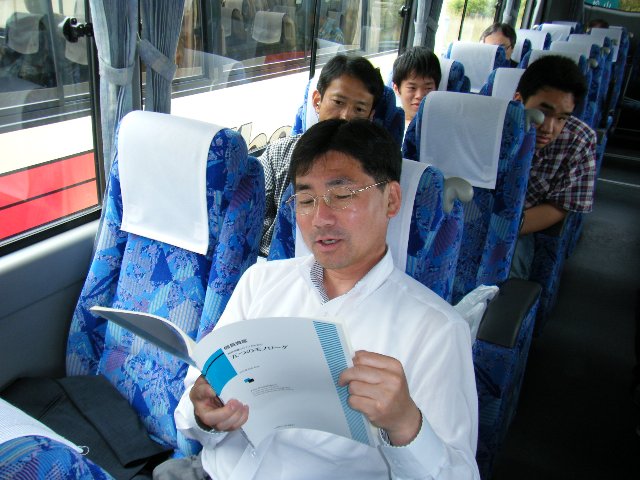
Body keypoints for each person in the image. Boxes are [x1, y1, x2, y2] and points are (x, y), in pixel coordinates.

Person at [161, 119, 480, 479]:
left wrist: (406, 424)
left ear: (391, 200)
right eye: (306, 200)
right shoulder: (260, 282)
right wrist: (204, 414)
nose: (320, 219)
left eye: (342, 196)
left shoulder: (437, 330)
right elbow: (193, 406)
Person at [258, 54, 384, 257]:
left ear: (370, 116)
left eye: (359, 109)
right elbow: (250, 223)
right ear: (317, 101)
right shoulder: (278, 154)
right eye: (338, 102)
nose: (346, 116)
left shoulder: (376, 172)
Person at [510, 55, 597, 279]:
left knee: (511, 261)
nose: (549, 128)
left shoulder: (578, 141)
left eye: (561, 118)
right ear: (518, 100)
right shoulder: (488, 123)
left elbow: (560, 206)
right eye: (543, 113)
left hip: (523, 222)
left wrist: (505, 226)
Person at [391, 46, 441, 133]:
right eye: (412, 88)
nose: (419, 95)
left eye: (428, 88)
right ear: (396, 89)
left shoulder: (441, 128)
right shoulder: (389, 126)